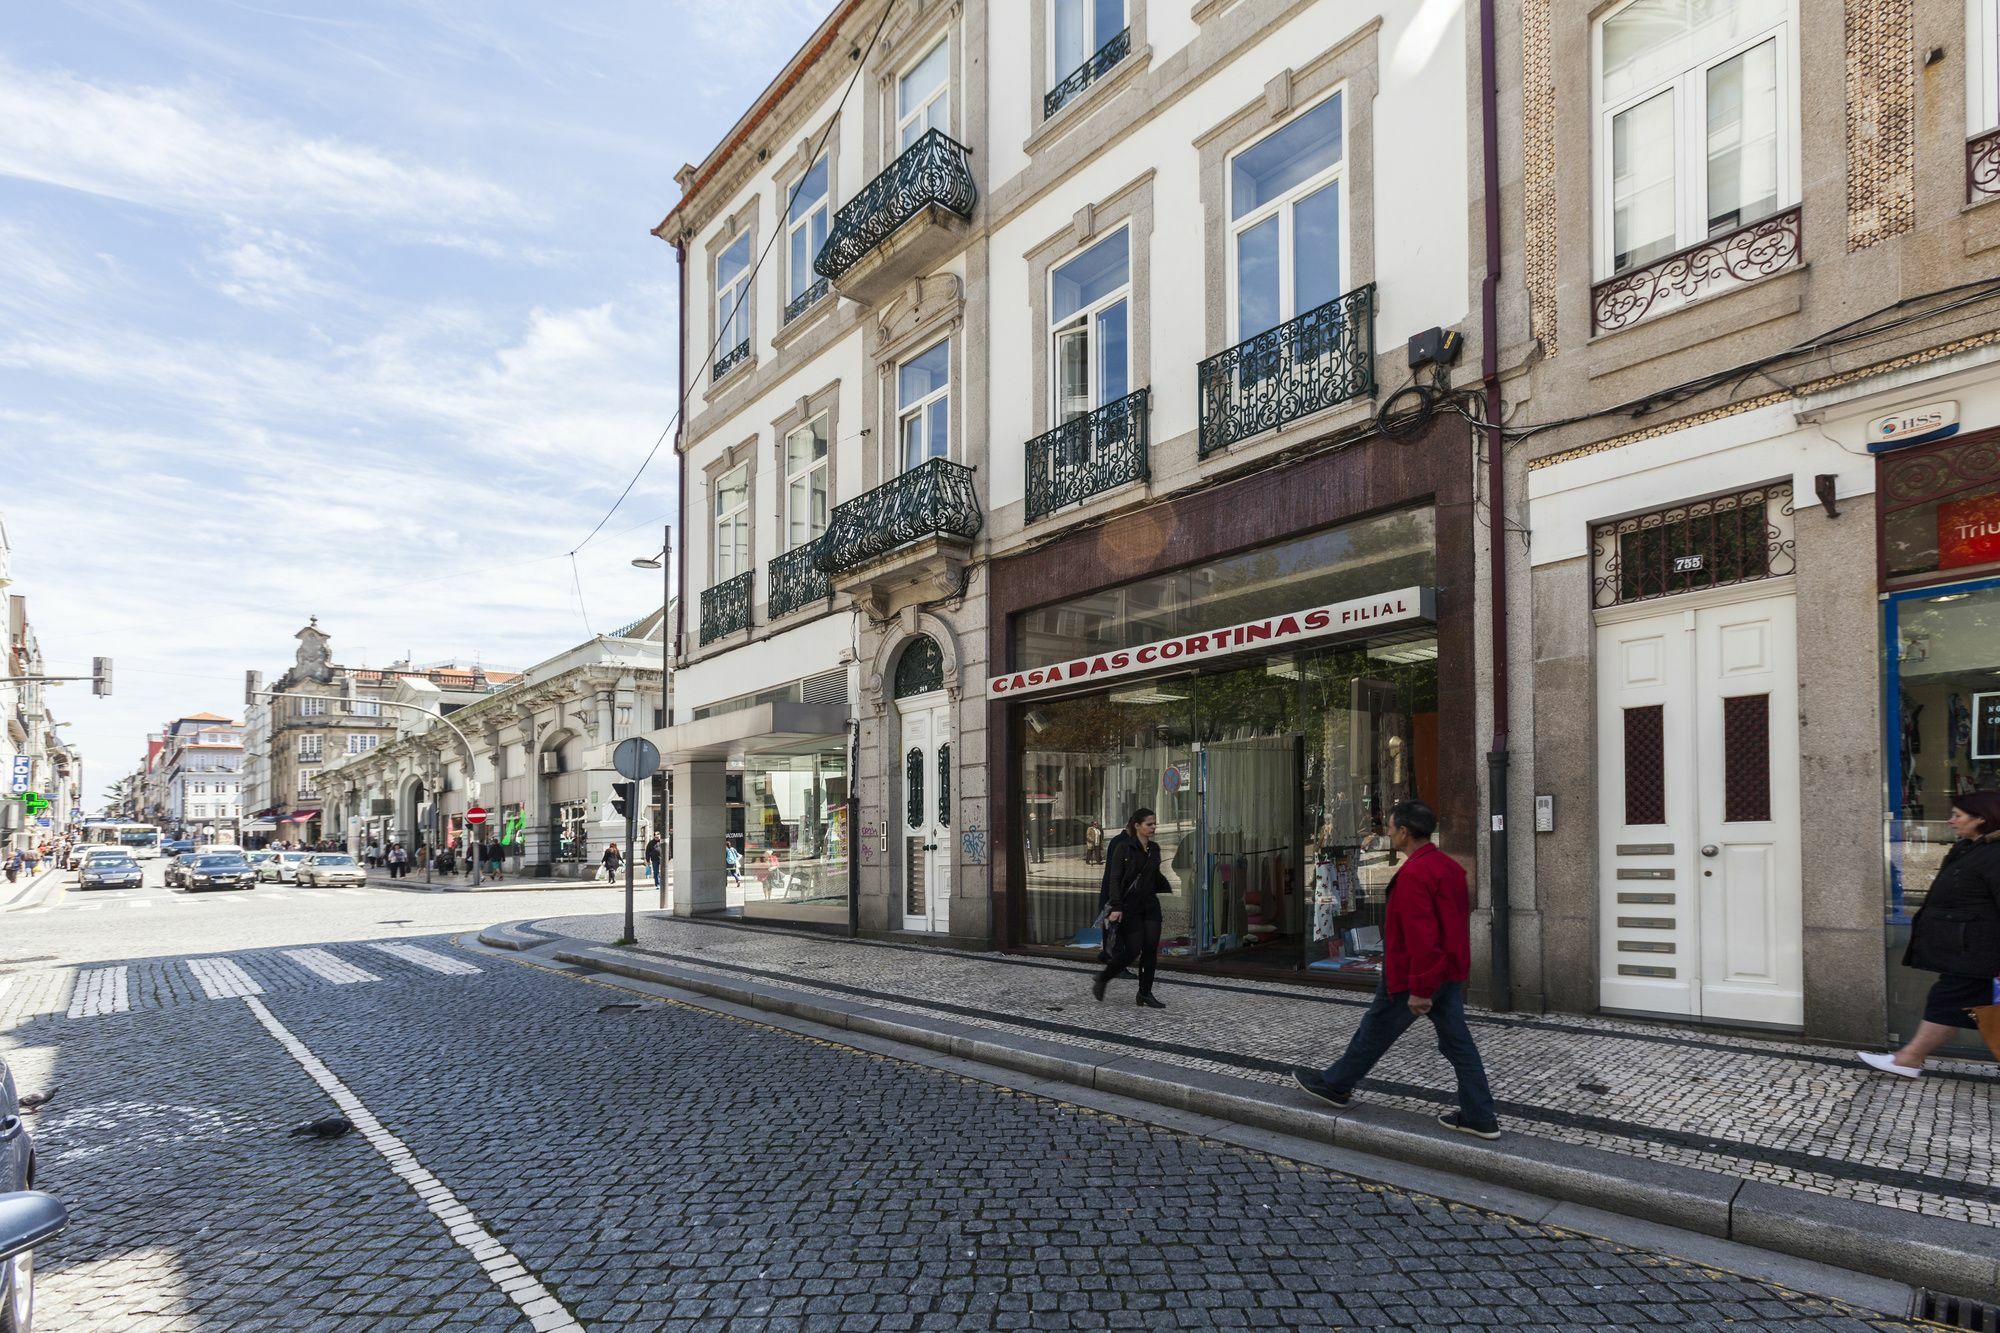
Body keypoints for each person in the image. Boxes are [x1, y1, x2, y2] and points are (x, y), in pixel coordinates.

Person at [1292, 800, 1501, 1140]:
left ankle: (1336, 1086)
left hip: (1414, 976)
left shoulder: (1416, 874)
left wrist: (1420, 988)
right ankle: (1480, 1115)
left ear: (1404, 832)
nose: (1387, 834)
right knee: (1457, 1044)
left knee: (1375, 1029)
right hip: (1447, 972)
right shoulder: (1449, 867)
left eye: (1390, 828)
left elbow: (1422, 938)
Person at [1860, 790, 2000, 1077]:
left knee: (1947, 1001)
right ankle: (1909, 1058)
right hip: (1970, 949)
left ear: (1981, 819)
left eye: (1958, 816)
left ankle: (1908, 1059)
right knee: (1951, 1005)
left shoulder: (1994, 855)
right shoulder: (1968, 848)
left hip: (1980, 951)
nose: (1950, 821)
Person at [1093, 808, 1170, 1009]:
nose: (1153, 827)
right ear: (1137, 825)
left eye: (1154, 824)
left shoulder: (1154, 849)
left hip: (1150, 905)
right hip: (1129, 907)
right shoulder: (1123, 848)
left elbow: (1152, 876)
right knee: (1133, 949)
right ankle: (1104, 977)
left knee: (1151, 950)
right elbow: (1115, 879)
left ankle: (1145, 993)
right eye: (1149, 824)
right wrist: (1116, 906)